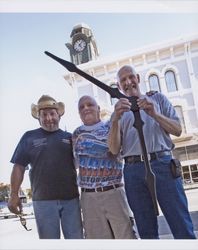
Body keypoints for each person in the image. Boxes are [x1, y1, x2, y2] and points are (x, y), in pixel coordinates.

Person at [107, 65, 196, 239]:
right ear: (118, 87)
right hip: (133, 170)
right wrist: (116, 120)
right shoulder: (117, 113)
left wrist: (154, 114)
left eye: (131, 77)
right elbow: (114, 149)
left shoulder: (158, 99)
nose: (128, 82)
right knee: (145, 228)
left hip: (162, 164)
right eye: (123, 80)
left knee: (180, 223)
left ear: (138, 79)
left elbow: (177, 129)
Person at [8, 95, 83, 239]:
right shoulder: (29, 137)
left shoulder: (70, 137)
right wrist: (13, 194)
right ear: (38, 117)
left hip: (71, 200)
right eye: (44, 114)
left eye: (52, 113)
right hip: (43, 202)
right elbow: (18, 167)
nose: (49, 118)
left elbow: (81, 164)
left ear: (59, 115)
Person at [72, 95, 136, 239]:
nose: (86, 108)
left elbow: (116, 150)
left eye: (90, 105)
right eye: (81, 107)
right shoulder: (76, 134)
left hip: (113, 192)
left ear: (98, 109)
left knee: (125, 237)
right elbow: (74, 163)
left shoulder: (112, 125)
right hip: (88, 197)